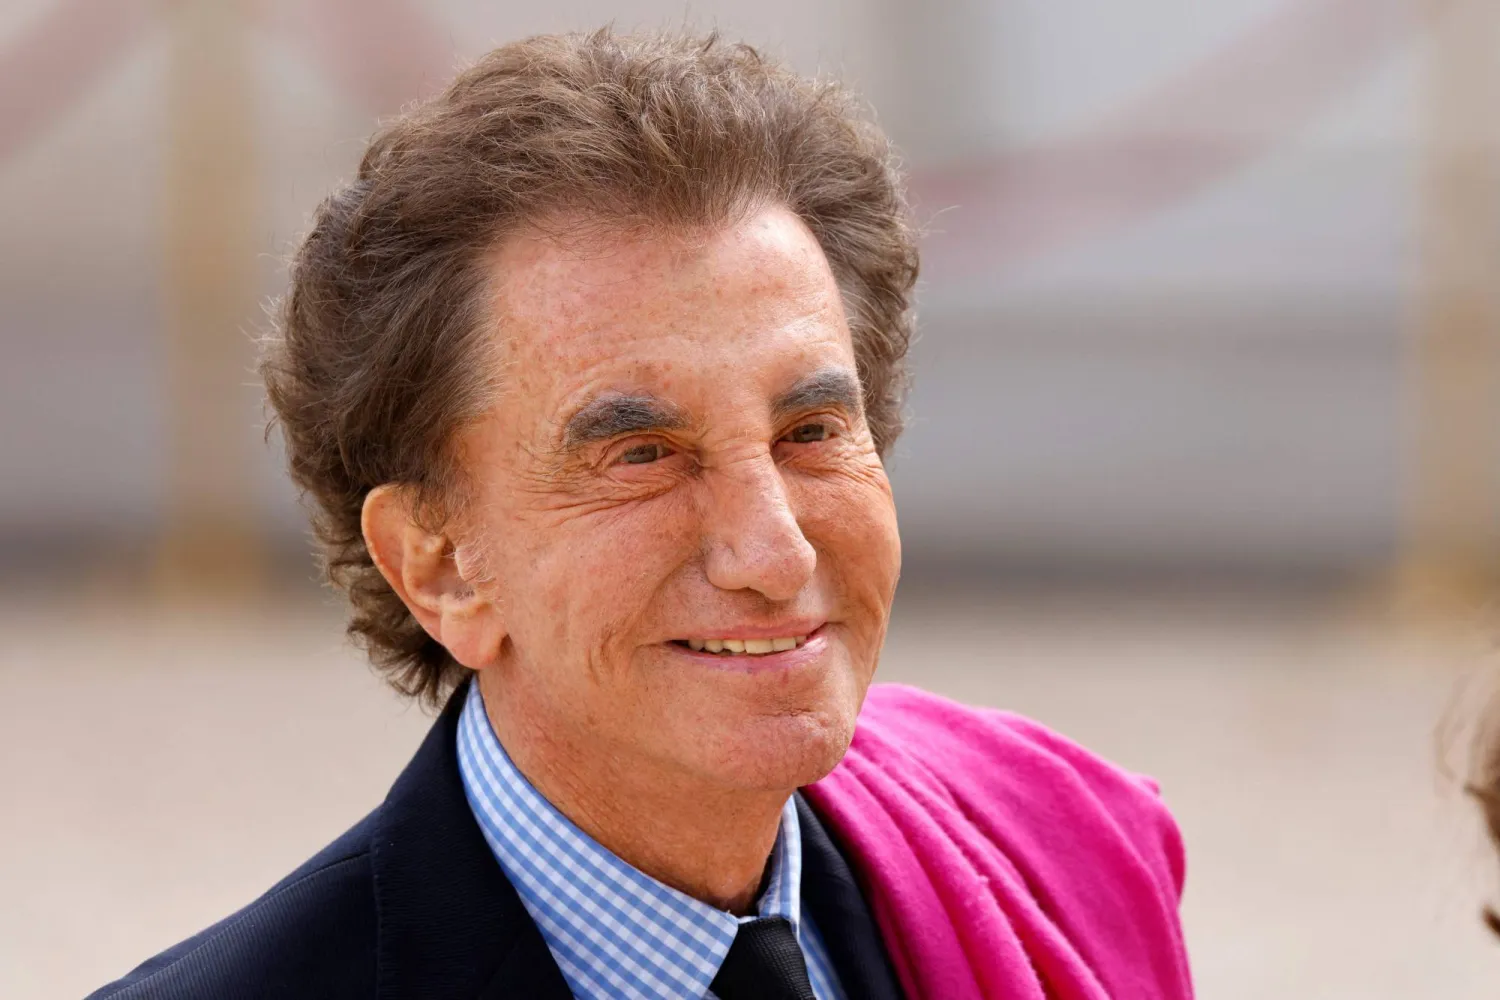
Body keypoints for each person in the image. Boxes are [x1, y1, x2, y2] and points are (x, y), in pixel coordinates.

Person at [89, 29, 1193, 1000]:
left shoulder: (1055, 855)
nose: (773, 550)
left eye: (810, 433)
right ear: (439, 567)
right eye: (644, 455)